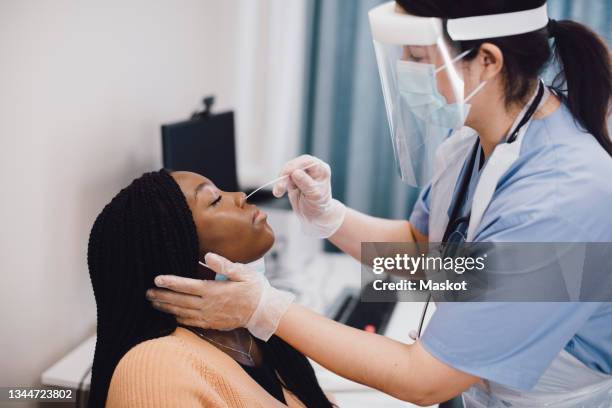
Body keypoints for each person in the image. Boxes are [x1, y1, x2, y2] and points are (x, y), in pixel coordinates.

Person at [146, 1, 612, 406]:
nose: (406, 67)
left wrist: (264, 309)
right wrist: (332, 217)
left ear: (487, 61)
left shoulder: (559, 199)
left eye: (417, 55)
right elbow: (431, 255)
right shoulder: (476, 142)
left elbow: (424, 380)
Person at [88, 169, 334, 407]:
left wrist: (334, 218)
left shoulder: (257, 334)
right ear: (178, 253)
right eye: (215, 200)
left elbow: (374, 358)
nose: (239, 196)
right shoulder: (156, 367)